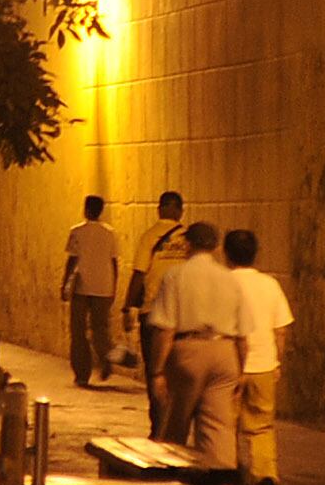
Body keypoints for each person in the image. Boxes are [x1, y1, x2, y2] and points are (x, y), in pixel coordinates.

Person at [146, 221, 249, 463]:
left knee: (175, 424)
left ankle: (170, 483)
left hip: (188, 352)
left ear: (187, 244)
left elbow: (165, 329)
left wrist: (157, 371)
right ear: (215, 246)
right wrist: (242, 370)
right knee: (219, 428)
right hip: (225, 352)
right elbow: (243, 334)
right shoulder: (231, 279)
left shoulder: (175, 276)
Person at [222, 230, 294, 485]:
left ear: (226, 254)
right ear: (256, 254)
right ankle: (266, 475)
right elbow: (281, 329)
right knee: (261, 426)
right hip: (263, 364)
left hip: (230, 366)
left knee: (226, 428)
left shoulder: (222, 283)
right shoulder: (270, 284)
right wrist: (277, 362)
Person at [127, 190, 191, 437]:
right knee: (179, 373)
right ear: (180, 210)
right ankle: (177, 428)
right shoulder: (189, 239)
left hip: (153, 313)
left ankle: (158, 426)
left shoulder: (149, 237)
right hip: (184, 315)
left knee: (156, 370)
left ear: (160, 209)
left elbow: (139, 273)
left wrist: (127, 306)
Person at [60, 195, 124, 389]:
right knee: (100, 329)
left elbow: (72, 260)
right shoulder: (110, 233)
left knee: (78, 332)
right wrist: (114, 286)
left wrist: (64, 284)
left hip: (82, 288)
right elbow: (114, 262)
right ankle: (106, 358)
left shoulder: (77, 231)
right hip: (104, 286)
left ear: (85, 209)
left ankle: (82, 373)